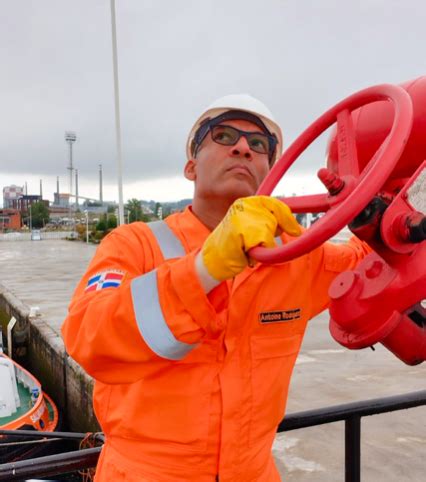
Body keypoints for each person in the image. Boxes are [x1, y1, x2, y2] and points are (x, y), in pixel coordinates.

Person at [62, 94, 370, 481]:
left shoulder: (298, 259)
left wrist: (407, 188)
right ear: (191, 166)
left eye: (259, 145)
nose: (243, 147)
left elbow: (378, 257)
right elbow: (90, 340)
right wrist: (203, 269)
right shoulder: (134, 245)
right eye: (224, 136)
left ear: (270, 172)